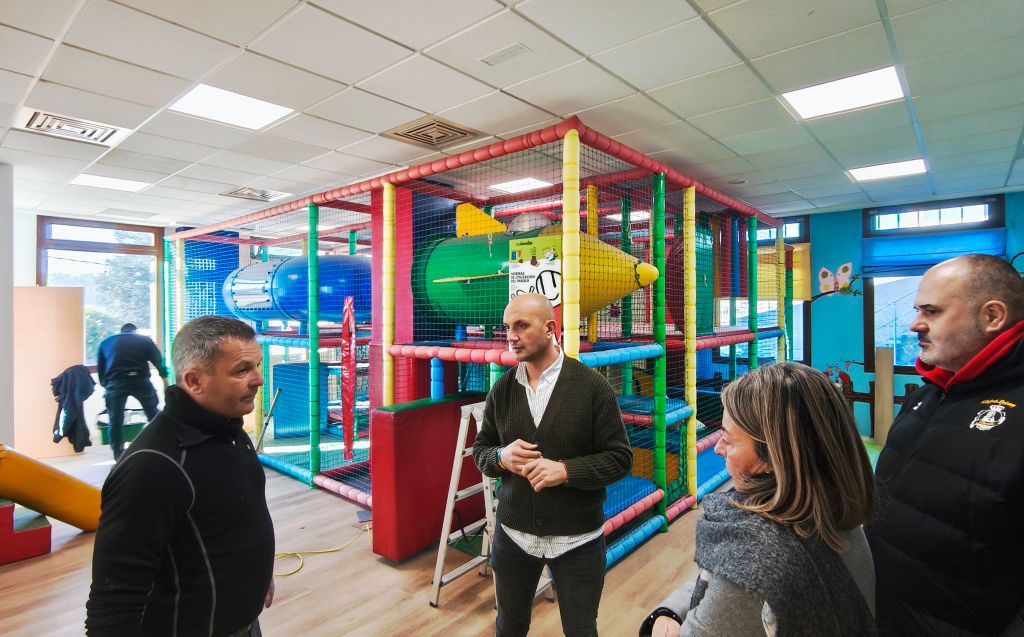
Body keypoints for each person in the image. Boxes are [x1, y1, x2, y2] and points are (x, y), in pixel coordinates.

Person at [640, 363, 877, 637]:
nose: (718, 448)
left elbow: (735, 590)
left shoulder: (760, 558)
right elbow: (724, 579)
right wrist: (671, 609)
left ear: (771, 458)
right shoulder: (832, 513)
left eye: (729, 439)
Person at [86, 316, 275, 637]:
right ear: (194, 381)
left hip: (243, 623)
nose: (258, 379)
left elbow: (235, 516)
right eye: (242, 370)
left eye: (257, 366)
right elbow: (113, 603)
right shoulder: (153, 466)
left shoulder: (229, 429)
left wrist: (258, 571)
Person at [867, 254, 1024, 636]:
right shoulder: (930, 393)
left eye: (932, 312)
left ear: (992, 316)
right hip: (888, 615)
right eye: (918, 310)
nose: (915, 324)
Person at [472, 294, 632, 637]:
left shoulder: (593, 388)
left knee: (580, 629)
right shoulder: (502, 390)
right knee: (509, 626)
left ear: (549, 329)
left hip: (578, 540)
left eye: (521, 326)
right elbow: (481, 451)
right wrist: (501, 457)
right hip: (513, 535)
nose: (511, 336)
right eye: (507, 327)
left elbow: (620, 459)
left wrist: (567, 471)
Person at [96, 322, 168, 460]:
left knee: (115, 420)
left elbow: (101, 370)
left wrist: (107, 385)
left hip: (116, 382)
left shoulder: (106, 343)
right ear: (135, 331)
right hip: (140, 380)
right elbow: (158, 360)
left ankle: (118, 456)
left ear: (121, 331)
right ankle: (161, 446)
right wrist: (164, 379)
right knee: (153, 414)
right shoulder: (144, 340)